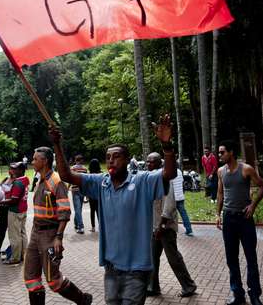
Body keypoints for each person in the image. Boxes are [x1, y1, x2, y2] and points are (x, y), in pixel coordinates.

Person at [53, 114, 177, 304]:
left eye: (117, 156)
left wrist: (167, 146)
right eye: (108, 157)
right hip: (111, 267)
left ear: (127, 160)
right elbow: (66, 175)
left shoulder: (142, 180)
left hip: (137, 269)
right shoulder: (101, 183)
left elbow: (169, 173)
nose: (111, 160)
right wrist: (57, 145)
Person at [23, 146, 92, 305]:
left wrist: (58, 237)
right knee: (31, 278)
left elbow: (65, 211)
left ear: (45, 161)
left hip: (50, 235)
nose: (32, 161)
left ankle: (83, 300)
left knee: (53, 281)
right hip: (35, 233)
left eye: (35, 159)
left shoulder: (56, 180)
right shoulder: (39, 178)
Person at [216, 141, 263, 305]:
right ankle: (238, 294)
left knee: (250, 257)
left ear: (231, 152)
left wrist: (253, 206)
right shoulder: (220, 171)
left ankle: (254, 295)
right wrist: (217, 214)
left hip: (244, 219)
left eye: (222, 152)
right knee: (231, 258)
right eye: (219, 152)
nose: (220, 155)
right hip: (229, 219)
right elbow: (220, 193)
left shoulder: (246, 169)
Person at [145, 152, 197, 298]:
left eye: (152, 162)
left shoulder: (165, 179)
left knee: (173, 257)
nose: (148, 164)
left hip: (165, 227)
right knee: (152, 257)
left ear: (159, 163)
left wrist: (161, 226)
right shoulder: (151, 179)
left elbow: (169, 205)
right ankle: (153, 286)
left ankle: (189, 285)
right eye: (147, 162)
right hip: (155, 227)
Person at [0, 161, 29, 265]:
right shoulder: (25, 179)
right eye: (12, 168)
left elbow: (14, 200)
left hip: (15, 210)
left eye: (15, 169)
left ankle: (15, 258)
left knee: (14, 235)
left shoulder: (17, 182)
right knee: (22, 233)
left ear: (21, 170)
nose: (13, 170)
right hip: (23, 209)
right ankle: (23, 254)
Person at [0, 173, 14, 260]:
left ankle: (12, 248)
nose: (8, 184)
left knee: (12, 231)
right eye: (6, 182)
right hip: (3, 210)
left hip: (12, 210)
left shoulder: (15, 186)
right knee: (2, 230)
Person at [171, 166, 193, 236]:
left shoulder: (169, 172)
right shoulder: (179, 171)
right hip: (180, 196)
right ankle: (189, 229)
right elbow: (182, 182)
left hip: (173, 197)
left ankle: (172, 230)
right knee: (183, 213)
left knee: (170, 214)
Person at [70, 155, 88, 234]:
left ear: (75, 160)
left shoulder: (73, 168)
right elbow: (87, 180)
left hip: (75, 190)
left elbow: (70, 178)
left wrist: (67, 188)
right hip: (82, 190)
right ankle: (76, 223)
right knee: (79, 208)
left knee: (77, 208)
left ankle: (81, 227)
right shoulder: (85, 169)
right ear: (81, 160)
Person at [87, 158, 101, 232]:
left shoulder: (89, 175)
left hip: (91, 195)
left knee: (92, 211)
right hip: (99, 195)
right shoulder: (101, 174)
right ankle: (100, 226)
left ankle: (93, 227)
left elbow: (88, 186)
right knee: (99, 211)